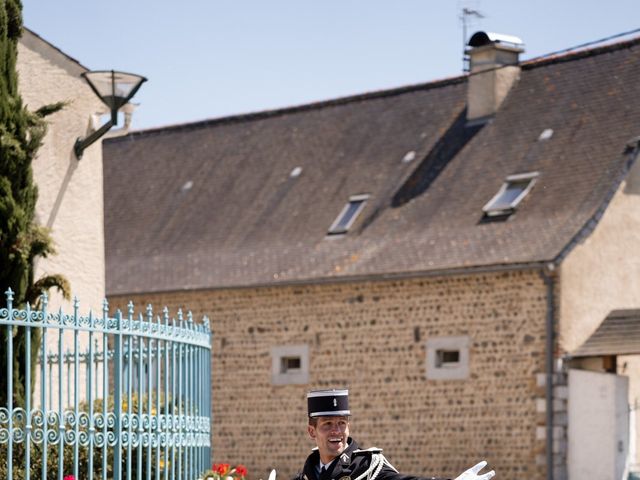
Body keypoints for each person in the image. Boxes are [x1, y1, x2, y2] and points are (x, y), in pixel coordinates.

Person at [293, 389, 495, 480]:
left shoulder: (368, 467)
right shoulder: (307, 473)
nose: (337, 431)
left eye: (342, 424)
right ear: (312, 431)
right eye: (327, 424)